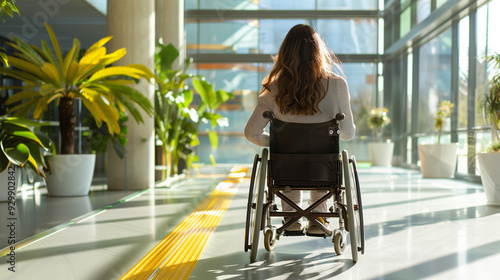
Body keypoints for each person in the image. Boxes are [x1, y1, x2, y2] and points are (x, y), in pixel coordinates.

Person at [244, 24, 356, 236]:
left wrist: (278, 141)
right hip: (324, 169)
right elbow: (348, 134)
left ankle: (291, 218)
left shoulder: (272, 89)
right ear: (318, 52)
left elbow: (251, 133)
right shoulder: (338, 85)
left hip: (285, 167)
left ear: (285, 53)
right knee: (324, 162)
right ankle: (318, 218)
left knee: (288, 167)